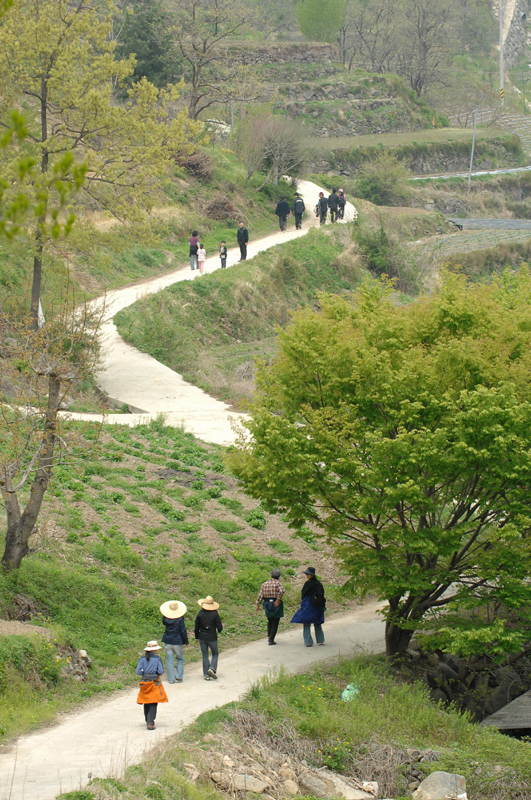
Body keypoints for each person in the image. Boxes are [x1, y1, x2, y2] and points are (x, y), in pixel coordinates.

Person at [136, 640, 168, 730]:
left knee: (146, 701)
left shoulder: (142, 659)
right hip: (154, 682)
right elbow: (161, 671)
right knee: (153, 701)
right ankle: (150, 722)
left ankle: (147, 720)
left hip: (144, 682)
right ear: (154, 650)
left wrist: (144, 672)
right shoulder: (157, 659)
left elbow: (138, 671)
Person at [290, 567, 326, 647]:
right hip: (318, 605)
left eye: (307, 574)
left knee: (306, 623)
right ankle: (320, 640)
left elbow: (303, 594)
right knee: (317, 622)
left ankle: (308, 642)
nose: (306, 575)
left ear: (310, 575)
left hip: (309, 605)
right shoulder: (319, 583)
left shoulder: (308, 583)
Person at [194, 595, 223, 680]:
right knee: (215, 653)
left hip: (202, 637)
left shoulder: (200, 614)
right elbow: (220, 627)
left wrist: (196, 637)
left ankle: (206, 675)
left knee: (205, 655)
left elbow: (196, 627)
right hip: (212, 637)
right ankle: (212, 668)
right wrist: (218, 630)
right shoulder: (215, 614)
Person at [160, 600, 188, 684]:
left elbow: (164, 622)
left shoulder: (165, 618)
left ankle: (171, 679)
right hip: (178, 641)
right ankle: (179, 676)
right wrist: (186, 641)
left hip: (168, 641)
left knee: (169, 660)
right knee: (180, 658)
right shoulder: (180, 619)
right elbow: (183, 630)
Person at [255, 568, 285, 645]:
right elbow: (281, 591)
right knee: (275, 621)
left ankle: (269, 636)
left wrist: (258, 604)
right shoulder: (278, 583)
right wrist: (278, 599)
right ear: (279, 577)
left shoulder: (264, 584)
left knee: (270, 620)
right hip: (275, 603)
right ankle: (271, 639)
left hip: (267, 603)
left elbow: (260, 595)